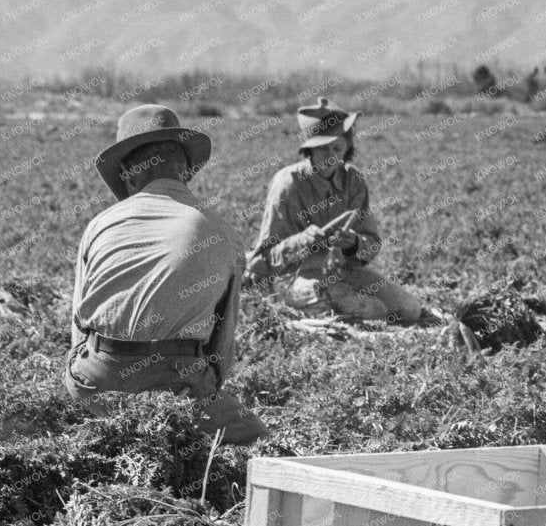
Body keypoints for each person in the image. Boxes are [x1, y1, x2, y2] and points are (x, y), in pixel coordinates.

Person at [65, 104, 266, 444]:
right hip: (176, 382)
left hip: (96, 378)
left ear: (130, 173)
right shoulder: (220, 230)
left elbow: (77, 325)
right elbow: (223, 340)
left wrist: (87, 382)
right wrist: (203, 392)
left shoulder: (99, 224)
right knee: (255, 437)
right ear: (186, 170)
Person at [247, 97, 438, 326]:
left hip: (341, 271)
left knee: (408, 310)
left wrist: (354, 244)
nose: (331, 157)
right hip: (293, 277)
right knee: (373, 309)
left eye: (337, 147)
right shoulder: (288, 185)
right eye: (322, 149)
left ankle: (338, 303)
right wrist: (302, 240)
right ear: (309, 151)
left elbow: (371, 242)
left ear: (348, 146)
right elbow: (261, 261)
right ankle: (309, 307)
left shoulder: (353, 180)